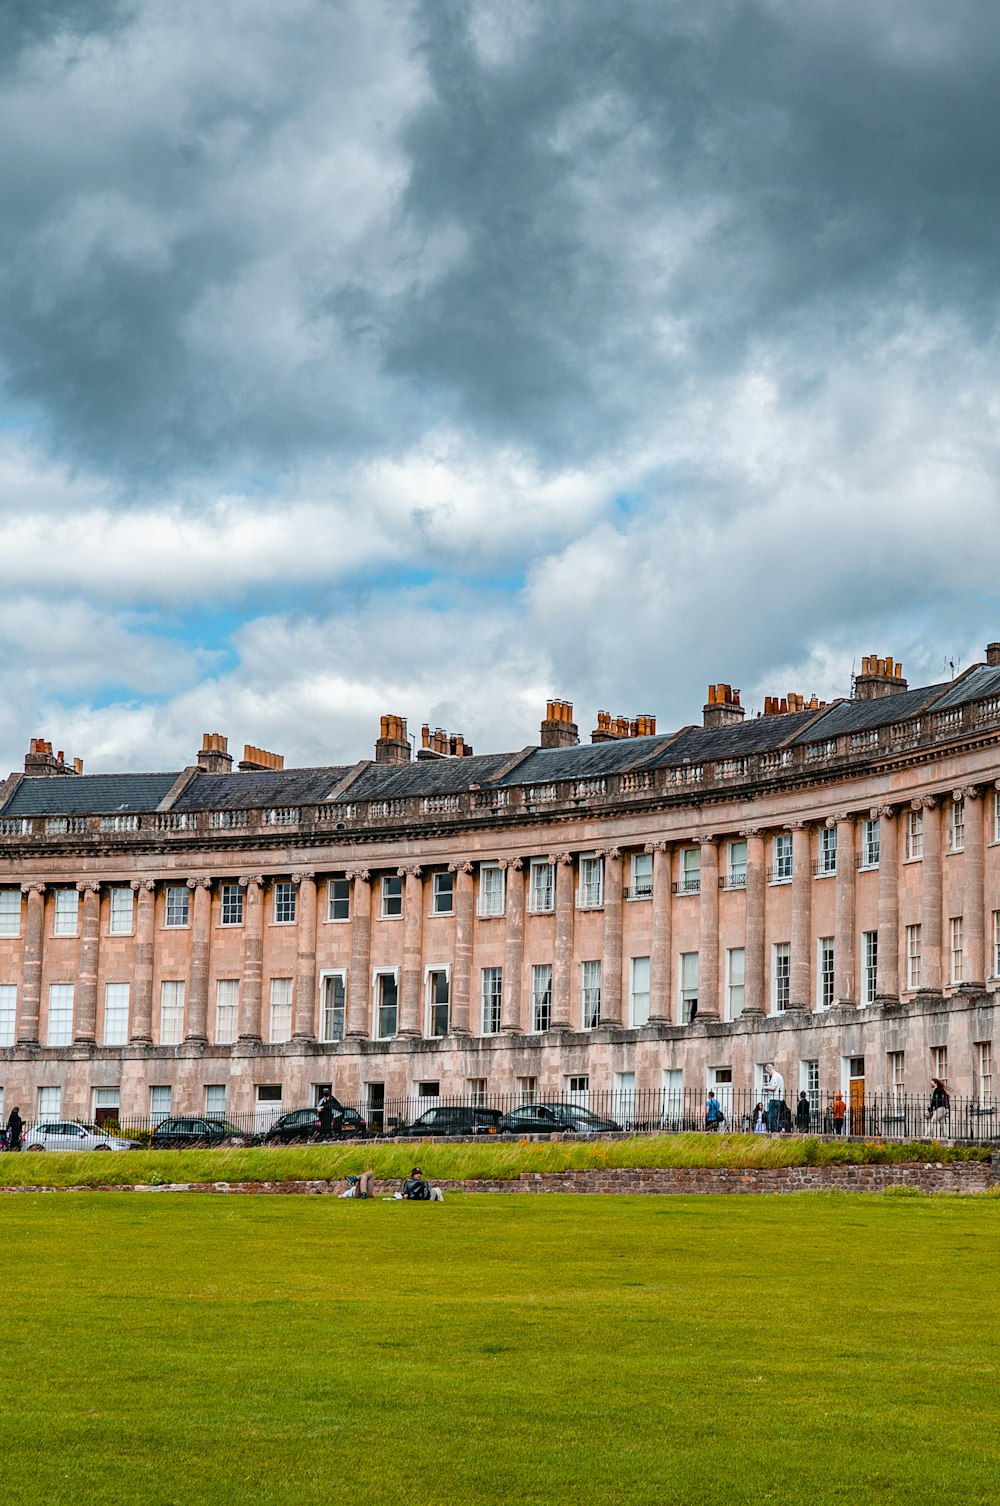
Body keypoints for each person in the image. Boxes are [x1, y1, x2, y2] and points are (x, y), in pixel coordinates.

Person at [763, 1063, 785, 1133]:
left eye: (767, 1071)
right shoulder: (779, 1076)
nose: (767, 1073)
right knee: (774, 1116)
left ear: (770, 1069)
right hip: (778, 1098)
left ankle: (776, 1130)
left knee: (771, 1116)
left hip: (774, 1098)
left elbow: (774, 1087)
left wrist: (765, 1087)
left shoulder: (775, 1076)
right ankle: (778, 1129)